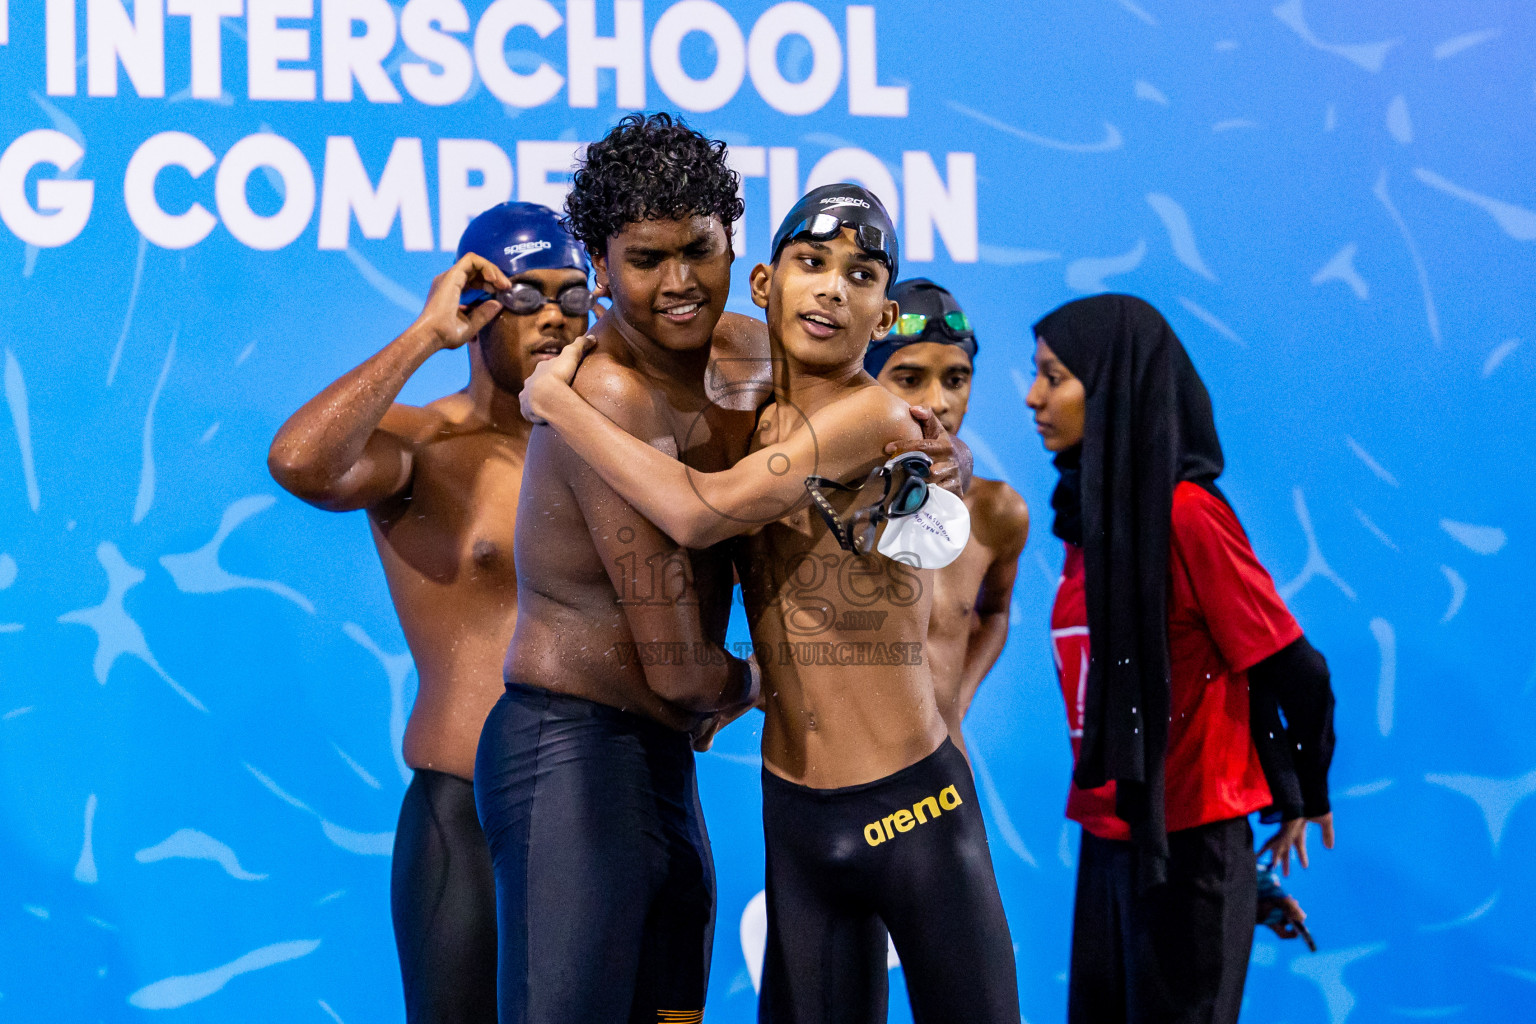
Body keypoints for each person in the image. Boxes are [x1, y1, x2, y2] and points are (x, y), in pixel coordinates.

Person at [522, 182, 1021, 1024]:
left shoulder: (872, 415)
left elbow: (695, 509)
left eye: (861, 277)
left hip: (914, 807)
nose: (831, 287)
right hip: (795, 815)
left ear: (882, 316)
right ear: (763, 284)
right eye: (812, 263)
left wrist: (560, 405)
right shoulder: (748, 398)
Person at [266, 202, 594, 1023]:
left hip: (599, 808)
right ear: (478, 303)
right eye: (526, 296)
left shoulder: (614, 450)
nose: (553, 315)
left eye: (573, 295)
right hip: (466, 815)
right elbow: (299, 462)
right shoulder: (424, 445)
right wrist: (424, 336)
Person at [1022, 294, 1337, 1024]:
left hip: (1191, 847)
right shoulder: (1090, 524)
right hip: (1109, 838)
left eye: (1055, 376)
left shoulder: (1188, 514)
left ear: (1112, 388)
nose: (1033, 397)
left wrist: (1304, 791)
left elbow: (1296, 670)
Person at [867, 278, 1029, 748]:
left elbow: (994, 613)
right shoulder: (825, 507)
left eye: (956, 379)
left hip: (946, 773)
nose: (938, 402)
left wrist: (959, 698)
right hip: (849, 777)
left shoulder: (998, 512)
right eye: (910, 379)